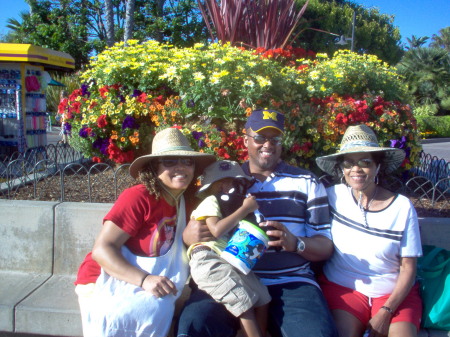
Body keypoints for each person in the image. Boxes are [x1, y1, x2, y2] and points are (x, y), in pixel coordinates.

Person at [177, 109, 338, 337]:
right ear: (246, 141)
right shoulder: (225, 179)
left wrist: (295, 243)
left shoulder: (306, 181)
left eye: (275, 139)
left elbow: (325, 246)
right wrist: (188, 235)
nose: (268, 145)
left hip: (291, 281)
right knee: (194, 325)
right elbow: (199, 221)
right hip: (230, 275)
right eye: (260, 137)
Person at [74, 127, 216, 337]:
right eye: (170, 161)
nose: (181, 167)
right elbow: (102, 249)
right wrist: (145, 280)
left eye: (187, 161)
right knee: (150, 311)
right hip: (103, 279)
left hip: (154, 279)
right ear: (153, 167)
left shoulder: (188, 202)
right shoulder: (138, 197)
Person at [315, 124, 423, 337]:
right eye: (349, 163)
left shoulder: (401, 207)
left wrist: (387, 310)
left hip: (393, 295)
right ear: (342, 169)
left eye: (365, 162)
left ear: (377, 167)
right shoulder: (332, 196)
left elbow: (408, 268)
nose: (356, 169)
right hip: (344, 289)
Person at [188, 160, 271, 337]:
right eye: (223, 183)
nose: (229, 187)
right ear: (213, 187)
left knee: (263, 297)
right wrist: (244, 209)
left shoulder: (229, 207)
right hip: (207, 259)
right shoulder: (210, 201)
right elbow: (216, 230)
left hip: (227, 259)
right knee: (243, 302)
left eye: (233, 182)